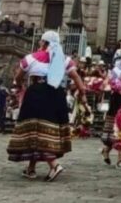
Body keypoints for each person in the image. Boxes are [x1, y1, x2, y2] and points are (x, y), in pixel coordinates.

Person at [7, 31, 88, 182]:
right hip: (57, 96)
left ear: (44, 43)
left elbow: (18, 77)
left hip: (37, 95)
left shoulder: (31, 58)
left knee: (35, 130)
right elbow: (76, 78)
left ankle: (54, 165)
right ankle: (31, 168)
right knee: (45, 130)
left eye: (40, 42)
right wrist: (83, 95)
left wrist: (19, 86)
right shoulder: (64, 59)